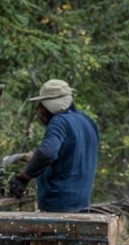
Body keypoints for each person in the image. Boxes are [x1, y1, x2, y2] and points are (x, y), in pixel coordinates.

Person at [9, 79, 99, 213]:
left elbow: (47, 153)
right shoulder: (87, 121)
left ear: (46, 106)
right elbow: (70, 155)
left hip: (58, 206)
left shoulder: (59, 122)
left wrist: (23, 178)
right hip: (82, 205)